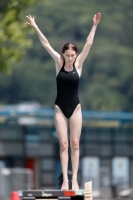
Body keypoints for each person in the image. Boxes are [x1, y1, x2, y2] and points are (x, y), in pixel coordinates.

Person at [26, 12, 101, 190]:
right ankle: (65, 181)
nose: (69, 58)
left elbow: (89, 43)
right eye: (67, 55)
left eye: (72, 55)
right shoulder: (58, 63)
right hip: (60, 108)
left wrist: (94, 25)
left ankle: (74, 179)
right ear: (63, 55)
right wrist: (36, 26)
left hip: (75, 108)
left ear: (75, 55)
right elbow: (46, 44)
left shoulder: (79, 64)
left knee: (75, 143)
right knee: (63, 144)